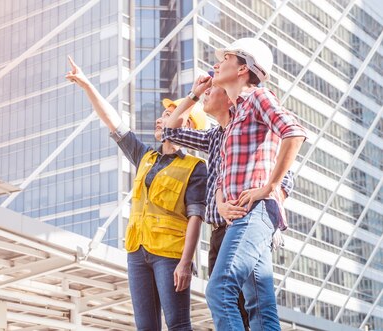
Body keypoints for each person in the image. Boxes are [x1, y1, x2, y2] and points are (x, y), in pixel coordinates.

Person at [66, 56, 207, 331]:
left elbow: (196, 217)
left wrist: (186, 262)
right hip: (137, 252)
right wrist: (86, 85)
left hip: (170, 255)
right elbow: (113, 122)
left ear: (186, 124)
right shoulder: (145, 157)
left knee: (178, 326)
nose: (159, 118)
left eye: (168, 115)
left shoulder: (195, 168)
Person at [161, 76, 295, 331]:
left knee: (234, 299)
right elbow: (171, 131)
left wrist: (265, 199)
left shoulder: (252, 124)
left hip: (247, 222)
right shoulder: (215, 136)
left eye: (213, 90)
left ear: (228, 98)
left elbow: (286, 177)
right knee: (254, 305)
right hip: (220, 230)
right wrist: (195, 94)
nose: (208, 94)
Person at [203, 38, 307, 331]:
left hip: (257, 211)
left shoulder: (258, 98)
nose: (217, 64)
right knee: (259, 307)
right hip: (242, 215)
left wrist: (269, 186)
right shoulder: (234, 117)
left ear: (242, 68)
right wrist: (222, 201)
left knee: (219, 289)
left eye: (225, 59)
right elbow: (225, 172)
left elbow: (294, 133)